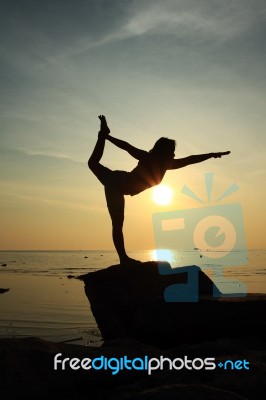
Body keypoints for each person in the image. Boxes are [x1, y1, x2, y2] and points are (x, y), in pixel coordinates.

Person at [88, 115, 230, 265]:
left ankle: (102, 135)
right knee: (117, 223)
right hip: (115, 184)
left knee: (93, 163)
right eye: (172, 151)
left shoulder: (166, 165)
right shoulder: (147, 157)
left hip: (119, 180)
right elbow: (126, 146)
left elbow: (191, 159)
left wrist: (211, 155)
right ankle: (123, 259)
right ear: (164, 152)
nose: (174, 154)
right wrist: (109, 138)